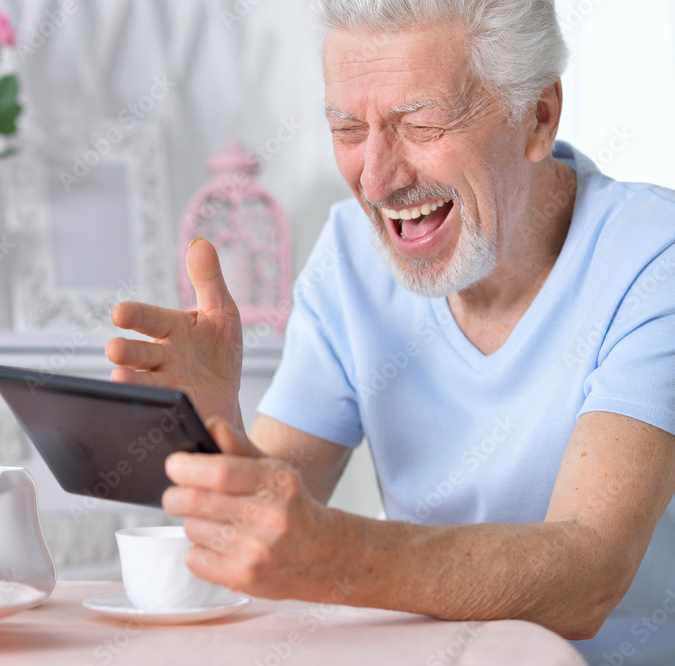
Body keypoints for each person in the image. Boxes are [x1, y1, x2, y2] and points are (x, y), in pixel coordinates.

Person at [106, 1, 675, 664]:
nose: (375, 179)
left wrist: (339, 555)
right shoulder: (349, 253)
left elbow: (590, 574)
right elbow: (273, 522)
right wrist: (211, 433)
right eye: (347, 129)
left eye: (421, 124)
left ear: (538, 117)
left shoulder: (653, 259)